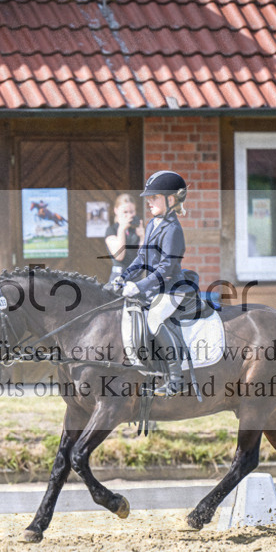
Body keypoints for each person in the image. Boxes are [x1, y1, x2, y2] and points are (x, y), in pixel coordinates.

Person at [107, 170, 194, 396]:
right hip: (155, 287)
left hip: (171, 288)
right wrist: (125, 276)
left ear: (171, 199)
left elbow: (166, 268)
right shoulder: (155, 223)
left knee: (154, 318)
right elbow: (141, 258)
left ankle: (176, 378)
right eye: (149, 198)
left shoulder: (173, 229)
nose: (149, 202)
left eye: (154, 198)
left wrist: (140, 286)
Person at [103, 193, 145, 283]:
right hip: (119, 277)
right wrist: (121, 229)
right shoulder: (111, 230)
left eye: (132, 212)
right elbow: (119, 256)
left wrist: (142, 237)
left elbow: (144, 257)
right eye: (125, 212)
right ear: (116, 210)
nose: (129, 215)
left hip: (136, 278)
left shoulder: (135, 230)